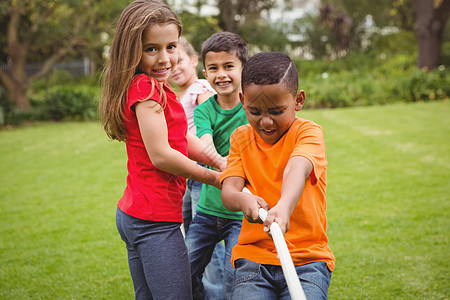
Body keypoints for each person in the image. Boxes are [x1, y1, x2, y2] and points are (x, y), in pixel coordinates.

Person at [98, 1, 226, 299]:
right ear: (132, 50)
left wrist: (218, 161)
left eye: (171, 47)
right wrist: (215, 179)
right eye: (151, 49)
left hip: (137, 213)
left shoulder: (155, 85)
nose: (165, 58)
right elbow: (162, 155)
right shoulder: (147, 90)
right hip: (153, 221)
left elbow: (180, 137)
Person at [220, 52, 335, 300]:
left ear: (298, 100)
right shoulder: (240, 138)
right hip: (254, 260)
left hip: (307, 260)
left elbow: (298, 168)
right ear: (242, 100)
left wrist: (283, 208)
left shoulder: (308, 132)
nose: (266, 121)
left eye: (276, 111)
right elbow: (229, 192)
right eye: (255, 111)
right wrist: (243, 201)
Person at [184, 31, 248, 300]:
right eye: (213, 68)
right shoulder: (204, 109)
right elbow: (205, 141)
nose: (221, 74)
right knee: (185, 270)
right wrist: (223, 164)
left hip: (240, 216)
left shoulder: (251, 109)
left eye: (228, 66)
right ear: (205, 73)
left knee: (234, 276)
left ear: (244, 68)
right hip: (208, 212)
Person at [168, 36, 226, 299]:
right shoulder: (177, 95)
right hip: (188, 176)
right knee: (192, 240)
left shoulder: (200, 89)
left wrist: (211, 157)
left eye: (180, 61)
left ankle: (216, 292)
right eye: (172, 64)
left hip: (203, 173)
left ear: (193, 61)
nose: (175, 67)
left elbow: (209, 124)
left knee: (207, 241)